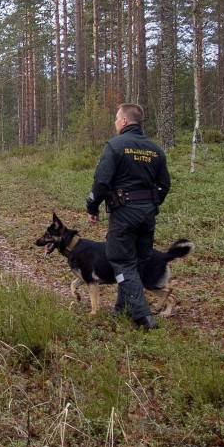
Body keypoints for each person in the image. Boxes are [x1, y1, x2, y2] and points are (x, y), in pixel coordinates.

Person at [86, 103, 171, 330]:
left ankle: (142, 316)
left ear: (124, 121)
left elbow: (101, 181)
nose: (115, 122)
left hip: (124, 214)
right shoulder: (155, 149)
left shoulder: (115, 146)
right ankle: (121, 308)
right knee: (138, 261)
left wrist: (92, 206)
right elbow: (164, 185)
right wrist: (149, 204)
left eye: (116, 118)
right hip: (147, 215)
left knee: (122, 263)